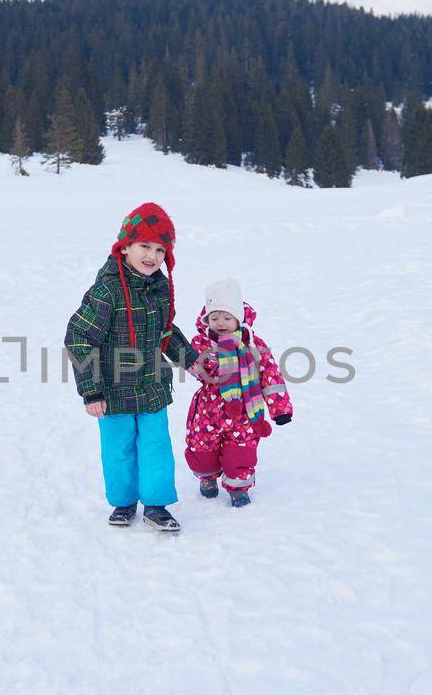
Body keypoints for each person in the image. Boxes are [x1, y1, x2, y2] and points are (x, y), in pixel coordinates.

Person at [64, 202, 205, 532]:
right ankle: (124, 502)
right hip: (112, 392)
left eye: (160, 249)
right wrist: (91, 391)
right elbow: (79, 337)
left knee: (156, 447)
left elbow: (166, 330)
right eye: (144, 246)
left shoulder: (159, 287)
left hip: (152, 386)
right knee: (119, 450)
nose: (152, 256)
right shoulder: (107, 290)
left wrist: (190, 359)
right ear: (124, 246)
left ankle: (156, 505)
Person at [184, 278, 293, 507]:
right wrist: (198, 365)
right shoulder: (201, 343)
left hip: (244, 411)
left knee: (241, 452)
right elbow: (196, 368)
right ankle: (207, 478)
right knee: (202, 449)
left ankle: (238, 487)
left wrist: (279, 409)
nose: (221, 323)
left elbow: (270, 376)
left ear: (239, 319)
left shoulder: (253, 345)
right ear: (207, 320)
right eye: (214, 318)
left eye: (227, 318)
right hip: (208, 411)